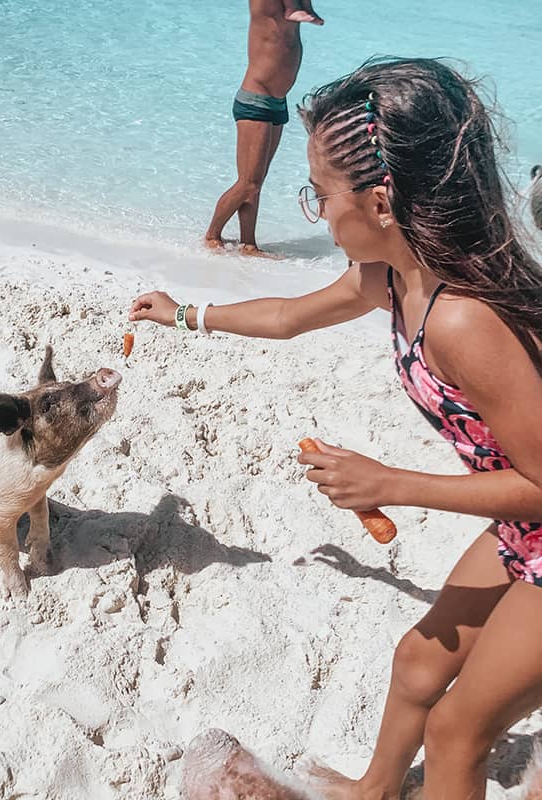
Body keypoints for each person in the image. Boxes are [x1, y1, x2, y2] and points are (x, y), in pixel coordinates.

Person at [130, 58, 542, 800]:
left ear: (381, 202)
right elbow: (291, 317)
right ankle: (373, 791)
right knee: (418, 663)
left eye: (319, 195)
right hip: (526, 532)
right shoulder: (393, 277)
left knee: (457, 734)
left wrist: (389, 485)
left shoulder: (464, 319)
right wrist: (188, 314)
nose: (316, 212)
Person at [205, 0, 322, 257]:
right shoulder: (266, 7)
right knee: (248, 183)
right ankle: (212, 235)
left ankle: (249, 244)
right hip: (255, 100)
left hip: (277, 102)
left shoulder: (295, 9)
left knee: (256, 182)